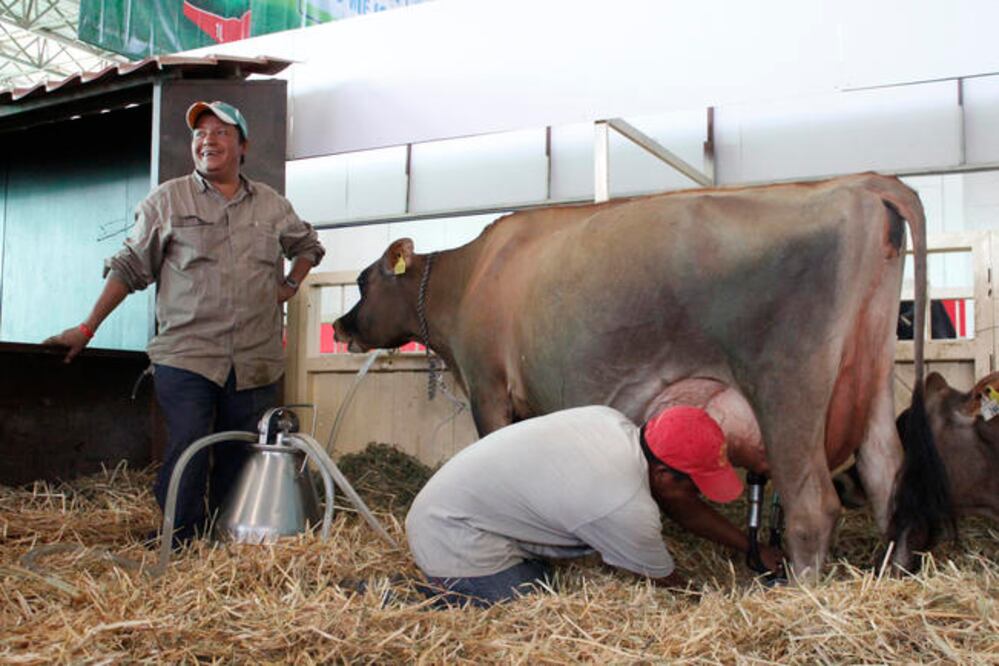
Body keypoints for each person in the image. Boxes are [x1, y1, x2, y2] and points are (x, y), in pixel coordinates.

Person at [43, 100, 325, 544]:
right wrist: (86, 328)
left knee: (240, 451)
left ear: (243, 146)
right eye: (200, 134)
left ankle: (225, 538)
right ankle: (179, 539)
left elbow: (308, 245)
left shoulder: (272, 206)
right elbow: (130, 268)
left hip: (255, 358)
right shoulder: (167, 201)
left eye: (220, 132)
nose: (207, 140)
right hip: (188, 356)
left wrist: (289, 284)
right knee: (190, 444)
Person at [405, 404, 784, 607]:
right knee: (531, 607)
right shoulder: (622, 504)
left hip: (457, 507)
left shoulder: (613, 423)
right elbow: (671, 585)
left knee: (548, 579)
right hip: (452, 533)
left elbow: (680, 505)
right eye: (698, 486)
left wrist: (750, 547)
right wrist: (716, 607)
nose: (700, 496)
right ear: (666, 477)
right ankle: (408, 597)